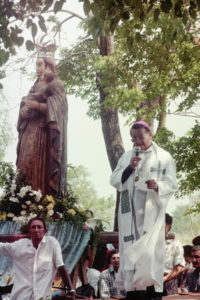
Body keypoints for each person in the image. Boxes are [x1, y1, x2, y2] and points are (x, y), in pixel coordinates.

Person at [110, 121, 178, 300]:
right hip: (129, 215)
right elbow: (115, 179)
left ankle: (150, 294)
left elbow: (172, 184)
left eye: (141, 137)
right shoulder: (126, 157)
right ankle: (132, 293)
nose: (137, 141)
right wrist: (130, 167)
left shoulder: (164, 157)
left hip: (151, 214)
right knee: (131, 255)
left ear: (150, 134)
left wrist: (158, 185)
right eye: (134, 138)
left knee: (148, 255)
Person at [16, 49, 67, 198]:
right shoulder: (35, 84)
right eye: (36, 65)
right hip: (29, 129)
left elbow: (58, 108)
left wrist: (36, 106)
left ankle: (41, 202)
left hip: (43, 133)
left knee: (38, 165)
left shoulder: (55, 84)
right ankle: (22, 201)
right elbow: (27, 104)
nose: (37, 69)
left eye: (40, 65)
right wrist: (23, 111)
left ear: (49, 66)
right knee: (24, 164)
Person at [0, 216, 75, 300]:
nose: (36, 230)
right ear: (29, 231)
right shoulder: (19, 246)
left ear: (45, 231)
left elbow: (60, 266)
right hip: (20, 296)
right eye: (33, 227)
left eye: (39, 227)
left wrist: (71, 289)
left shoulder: (52, 243)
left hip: (42, 297)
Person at [163, 213, 185, 295]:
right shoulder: (151, 244)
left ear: (169, 226)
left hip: (169, 284)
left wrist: (164, 279)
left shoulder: (175, 244)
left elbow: (180, 268)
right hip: (152, 283)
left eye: (163, 225)